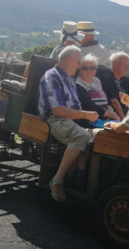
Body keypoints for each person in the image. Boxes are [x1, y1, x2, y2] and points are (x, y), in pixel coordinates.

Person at [37, 45, 99, 203]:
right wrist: (85, 114)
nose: (79, 67)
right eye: (78, 62)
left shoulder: (69, 79)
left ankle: (78, 177)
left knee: (100, 136)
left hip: (71, 122)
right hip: (55, 120)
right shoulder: (51, 76)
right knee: (82, 136)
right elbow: (57, 110)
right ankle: (57, 180)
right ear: (69, 59)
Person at [75, 53, 120, 121]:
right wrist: (108, 114)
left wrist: (109, 108)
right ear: (80, 68)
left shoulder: (97, 80)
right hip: (91, 118)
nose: (89, 71)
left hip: (105, 114)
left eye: (92, 68)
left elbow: (106, 97)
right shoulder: (78, 83)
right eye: (85, 68)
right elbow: (87, 104)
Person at [97, 52, 129, 120]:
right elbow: (114, 102)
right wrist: (123, 121)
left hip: (127, 113)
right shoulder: (107, 78)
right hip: (113, 115)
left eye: (128, 65)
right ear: (114, 64)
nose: (127, 68)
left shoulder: (124, 79)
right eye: (124, 65)